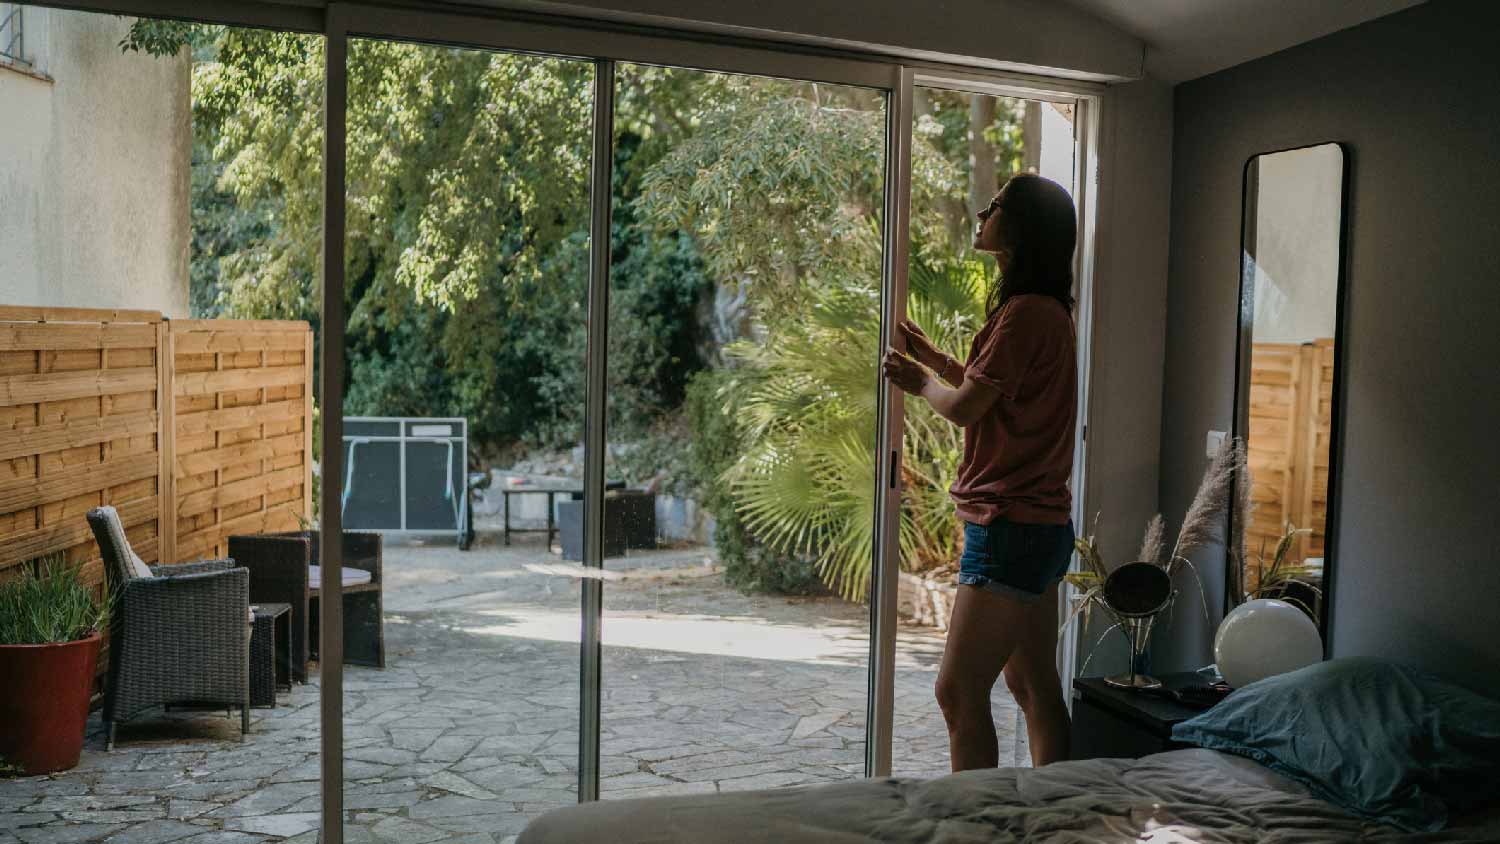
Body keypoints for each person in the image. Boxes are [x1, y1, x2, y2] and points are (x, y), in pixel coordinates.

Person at [883, 172, 1078, 770]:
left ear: (1020, 229)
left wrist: (920, 383)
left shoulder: (1025, 313)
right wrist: (934, 359)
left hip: (1009, 528)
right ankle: (1059, 811)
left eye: (994, 206)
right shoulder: (1045, 312)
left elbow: (966, 407)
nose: (981, 213)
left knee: (958, 691)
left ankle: (978, 825)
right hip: (1041, 528)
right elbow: (993, 390)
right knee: (1033, 686)